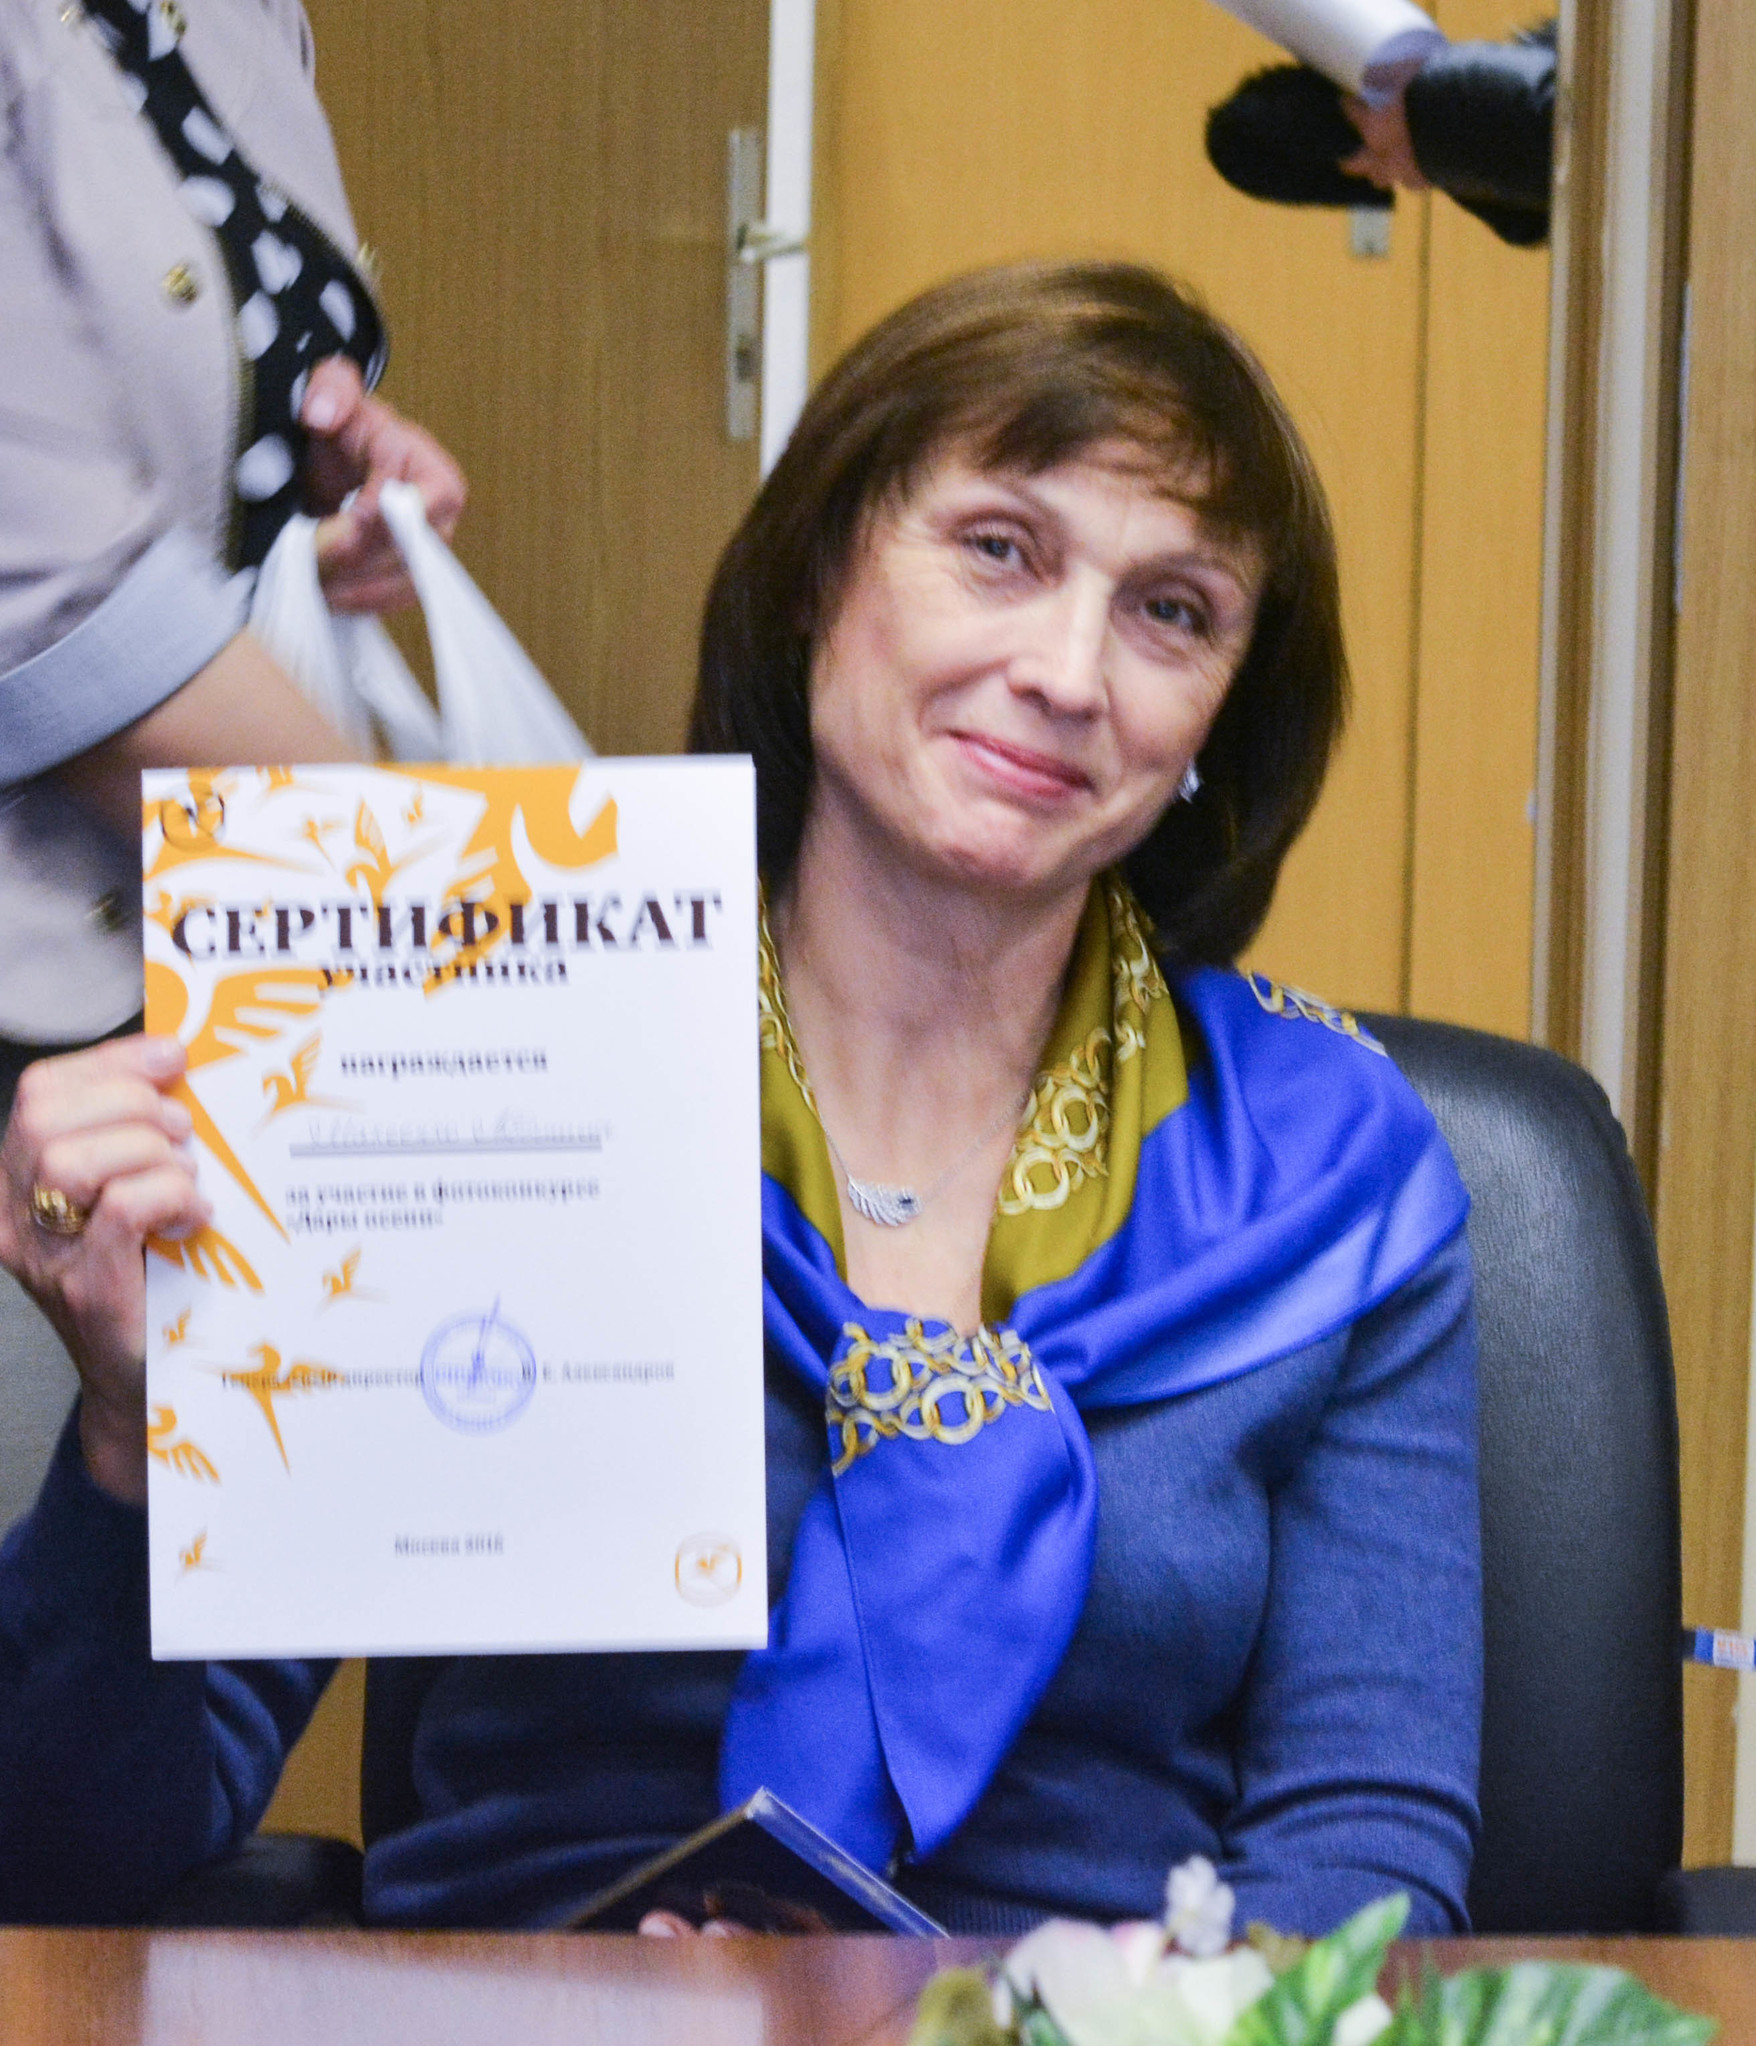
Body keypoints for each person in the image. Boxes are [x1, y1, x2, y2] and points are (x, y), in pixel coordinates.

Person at [0, 262, 1482, 1938]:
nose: (1069, 672)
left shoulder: (1324, 1173)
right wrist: (130, 1440)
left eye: (1172, 612)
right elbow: (75, 1859)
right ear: (818, 572)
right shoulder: (458, 1036)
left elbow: (1362, 1845)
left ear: (1221, 711)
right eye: (1000, 550)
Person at [0, 0, 466, 1123]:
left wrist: (310, 466)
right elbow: (52, 594)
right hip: (47, 979)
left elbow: (199, 350)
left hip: (218, 936)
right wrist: (454, 925)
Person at [1206, 24, 1556, 247]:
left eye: (1363, 170)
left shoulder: (1440, 102)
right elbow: (1531, 225)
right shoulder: (1438, 119)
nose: (1383, 180)